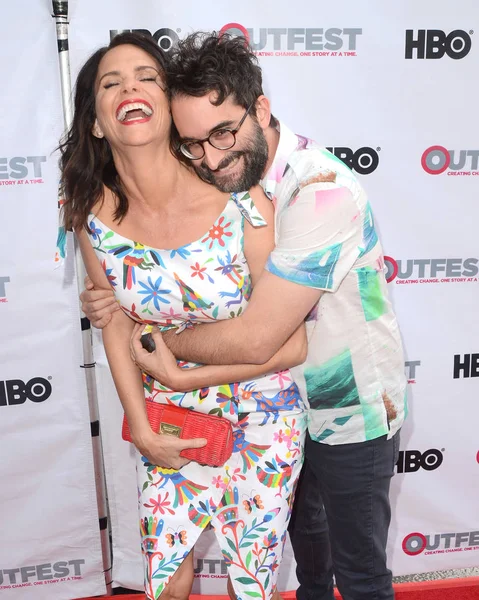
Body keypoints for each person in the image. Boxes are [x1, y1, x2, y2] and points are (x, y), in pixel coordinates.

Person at [82, 32, 407, 600]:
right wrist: (115, 303)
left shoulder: (318, 190)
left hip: (341, 409)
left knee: (359, 577)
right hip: (282, 407)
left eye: (222, 133)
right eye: (194, 143)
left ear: (259, 108)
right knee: (309, 571)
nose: (209, 156)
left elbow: (260, 337)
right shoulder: (227, 174)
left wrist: (162, 347)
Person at [59, 32, 308, 600]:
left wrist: (177, 369)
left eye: (147, 76)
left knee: (251, 585)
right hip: (171, 421)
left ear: (170, 108)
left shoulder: (243, 201)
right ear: (96, 121)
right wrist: (142, 428)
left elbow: (289, 343)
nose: (130, 88)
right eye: (110, 82)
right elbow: (117, 326)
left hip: (264, 416)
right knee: (166, 579)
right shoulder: (89, 216)